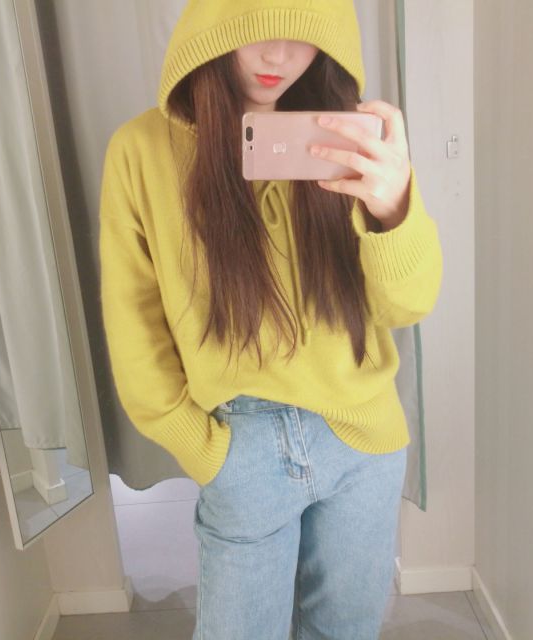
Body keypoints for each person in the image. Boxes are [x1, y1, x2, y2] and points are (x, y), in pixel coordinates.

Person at [99, 1, 443, 638]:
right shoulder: (141, 150)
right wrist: (204, 450)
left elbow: (408, 305)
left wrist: (395, 211)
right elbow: (134, 319)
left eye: (302, 34)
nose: (277, 55)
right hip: (242, 443)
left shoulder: (345, 139)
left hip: (363, 440)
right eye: (256, 28)